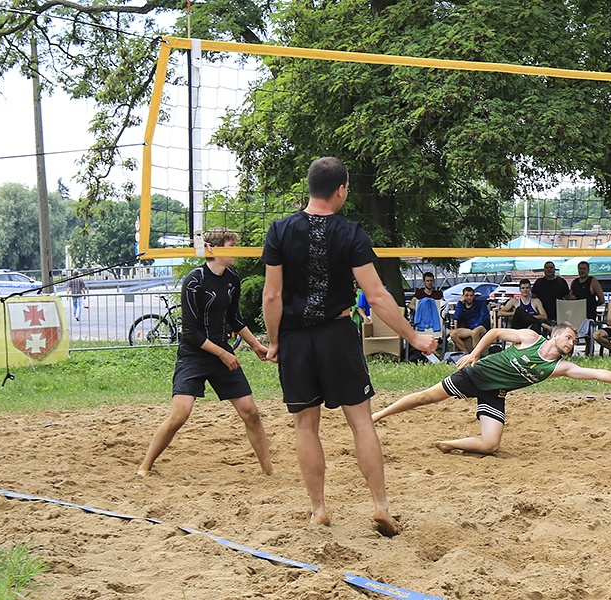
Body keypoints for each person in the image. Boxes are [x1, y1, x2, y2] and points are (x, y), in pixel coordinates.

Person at [261, 157, 436, 537]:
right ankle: (380, 505)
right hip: (337, 334)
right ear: (341, 190)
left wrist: (274, 341)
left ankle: (319, 509)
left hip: (295, 338)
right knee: (360, 422)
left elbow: (272, 296)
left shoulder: (279, 230)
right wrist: (414, 337)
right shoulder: (350, 232)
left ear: (310, 188)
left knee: (305, 426)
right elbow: (376, 295)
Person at [372, 322, 611, 455]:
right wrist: (474, 354)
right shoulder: (530, 338)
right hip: (475, 374)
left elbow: (596, 373)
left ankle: (448, 444)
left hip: (495, 393)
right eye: (568, 337)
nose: (571, 343)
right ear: (555, 334)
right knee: (426, 397)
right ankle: (376, 417)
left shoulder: (559, 368)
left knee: (491, 445)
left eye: (574, 341)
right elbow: (494, 332)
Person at [138, 227, 273, 477]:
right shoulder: (194, 280)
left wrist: (255, 345)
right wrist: (223, 353)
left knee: (250, 412)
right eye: (232, 247)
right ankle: (145, 466)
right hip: (195, 355)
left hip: (222, 353)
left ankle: (268, 471)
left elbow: (234, 318)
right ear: (214, 249)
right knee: (180, 414)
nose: (237, 252)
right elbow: (190, 332)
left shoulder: (232, 278)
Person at [567, 260, 605, 336]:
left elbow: (601, 299)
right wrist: (571, 298)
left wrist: (592, 305)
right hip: (576, 314)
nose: (582, 271)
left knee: (589, 336)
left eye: (584, 269)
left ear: (588, 270)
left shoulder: (593, 281)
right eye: (580, 269)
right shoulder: (575, 282)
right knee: (573, 334)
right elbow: (569, 297)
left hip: (589, 315)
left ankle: (589, 348)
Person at [450, 286, 492, 353]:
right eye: (466, 295)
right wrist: (460, 302)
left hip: (481, 327)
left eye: (471, 295)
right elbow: (456, 317)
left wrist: (475, 326)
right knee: (453, 334)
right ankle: (467, 354)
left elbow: (484, 317)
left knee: (475, 332)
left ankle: (476, 355)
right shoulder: (462, 306)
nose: (469, 298)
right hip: (468, 329)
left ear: (474, 296)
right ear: (463, 296)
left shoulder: (480, 303)